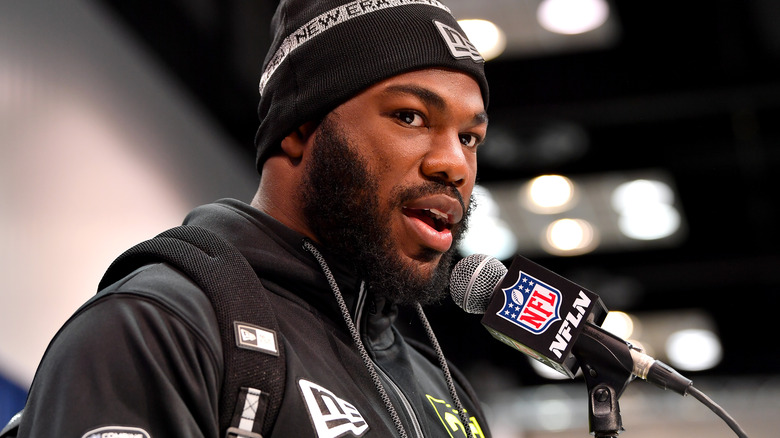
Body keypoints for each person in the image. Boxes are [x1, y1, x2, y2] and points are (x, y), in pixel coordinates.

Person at [14, 0, 491, 437]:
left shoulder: (449, 394)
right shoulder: (161, 327)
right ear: (301, 128)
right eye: (410, 116)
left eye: (470, 138)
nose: (454, 164)